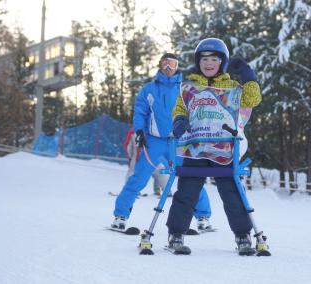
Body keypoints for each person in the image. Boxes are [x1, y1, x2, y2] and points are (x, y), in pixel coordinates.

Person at [165, 38, 261, 254]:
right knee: (187, 191)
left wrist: (247, 75)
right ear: (198, 62)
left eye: (214, 59)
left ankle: (243, 235)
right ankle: (176, 233)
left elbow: (252, 99)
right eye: (204, 59)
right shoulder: (189, 87)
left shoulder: (232, 87)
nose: (209, 63)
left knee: (232, 192)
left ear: (222, 62)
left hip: (224, 148)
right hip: (196, 147)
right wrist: (179, 120)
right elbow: (180, 108)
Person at [111, 53, 213, 231]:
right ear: (159, 65)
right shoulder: (149, 89)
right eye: (165, 63)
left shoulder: (185, 89)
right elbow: (140, 112)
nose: (168, 67)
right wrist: (140, 131)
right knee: (139, 177)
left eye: (172, 64)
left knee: (191, 177)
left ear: (177, 66)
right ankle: (120, 215)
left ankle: (203, 217)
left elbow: (198, 111)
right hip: (154, 141)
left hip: (179, 142)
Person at [124, 128, 169, 196]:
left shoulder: (134, 131)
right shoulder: (156, 129)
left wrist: (130, 157)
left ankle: (130, 191)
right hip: (154, 158)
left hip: (138, 158)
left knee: (133, 173)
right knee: (160, 173)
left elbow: (128, 146)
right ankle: (167, 191)